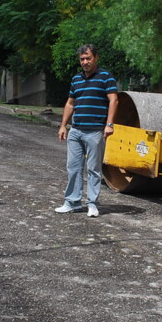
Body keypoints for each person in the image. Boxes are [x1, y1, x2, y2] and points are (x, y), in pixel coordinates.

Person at [55, 44, 118, 218]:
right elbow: (70, 103)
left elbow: (113, 100)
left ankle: (92, 204)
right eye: (82, 59)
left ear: (95, 58)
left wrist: (109, 124)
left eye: (88, 58)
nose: (85, 62)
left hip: (95, 131)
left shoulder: (106, 76)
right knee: (73, 168)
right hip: (75, 131)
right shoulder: (76, 79)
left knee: (93, 169)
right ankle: (72, 203)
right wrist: (63, 126)